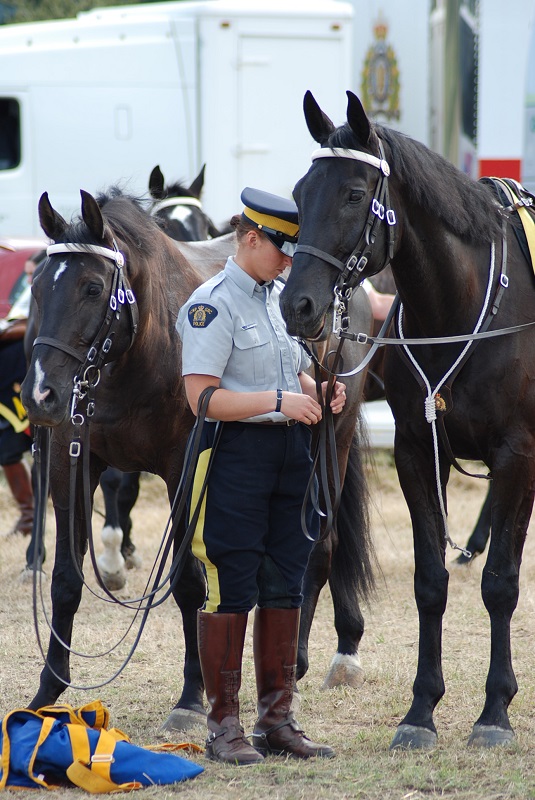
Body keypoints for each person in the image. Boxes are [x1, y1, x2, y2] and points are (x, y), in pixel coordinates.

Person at [176, 188, 346, 765]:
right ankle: (224, 725)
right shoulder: (211, 303)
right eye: (282, 247)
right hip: (232, 456)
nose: (290, 260)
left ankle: (277, 720)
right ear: (250, 238)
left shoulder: (278, 299)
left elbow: (293, 371)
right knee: (232, 582)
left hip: (288, 456)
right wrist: (278, 399)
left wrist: (316, 391)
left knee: (285, 580)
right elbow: (200, 396)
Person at [0, 249, 45, 536]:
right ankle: (27, 516)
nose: (28, 279)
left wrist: (5, 331)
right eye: (27, 273)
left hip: (38, 385)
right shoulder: (24, 297)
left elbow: (33, 326)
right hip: (8, 388)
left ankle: (38, 516)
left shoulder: (48, 294)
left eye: (32, 273)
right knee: (7, 452)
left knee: (45, 455)